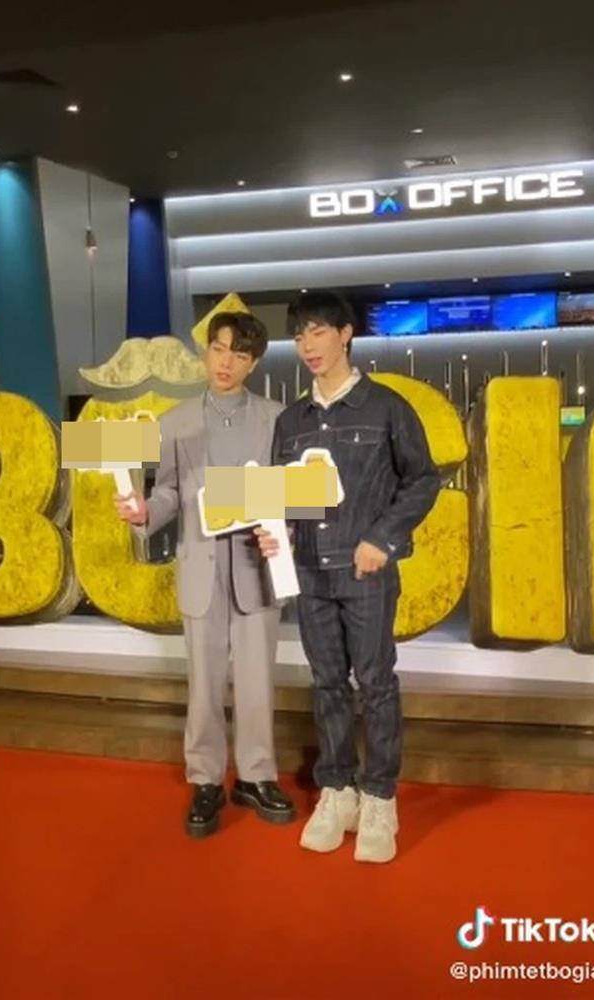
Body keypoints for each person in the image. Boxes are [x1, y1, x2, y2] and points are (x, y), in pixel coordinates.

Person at [256, 291, 439, 863]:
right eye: (299, 336)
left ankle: (380, 797)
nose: (307, 346)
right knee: (327, 683)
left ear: (345, 334)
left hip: (366, 573)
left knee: (376, 683)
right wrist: (278, 533)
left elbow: (423, 480)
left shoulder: (385, 407)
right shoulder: (290, 421)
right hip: (310, 574)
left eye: (317, 332)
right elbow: (283, 498)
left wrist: (383, 538)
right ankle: (337, 791)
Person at [115, 311, 295, 838]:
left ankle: (257, 775)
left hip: (258, 566)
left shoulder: (278, 419)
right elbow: (169, 490)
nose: (226, 362)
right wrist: (146, 512)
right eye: (219, 349)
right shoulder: (176, 421)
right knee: (205, 682)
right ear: (206, 352)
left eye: (239, 354)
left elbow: (291, 493)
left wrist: (283, 531)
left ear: (254, 363)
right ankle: (206, 779)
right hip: (200, 565)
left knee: (258, 682)